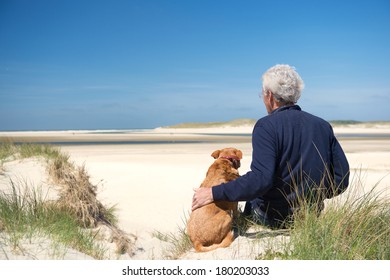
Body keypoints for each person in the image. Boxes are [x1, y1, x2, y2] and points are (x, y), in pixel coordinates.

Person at [192, 64, 350, 228]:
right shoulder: (322, 125)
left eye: (262, 93)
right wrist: (314, 198)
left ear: (269, 95)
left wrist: (214, 192)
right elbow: (341, 178)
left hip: (272, 218)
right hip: (311, 215)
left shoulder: (266, 126)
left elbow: (261, 179)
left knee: (251, 198)